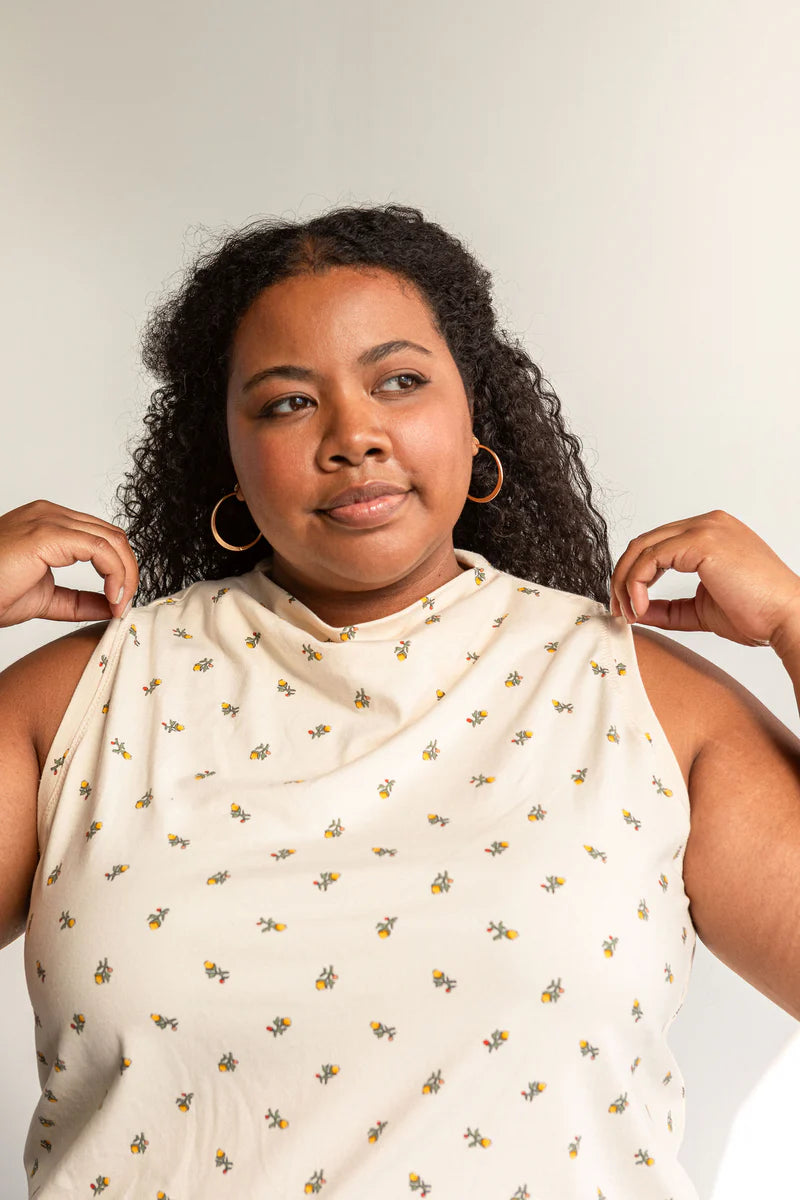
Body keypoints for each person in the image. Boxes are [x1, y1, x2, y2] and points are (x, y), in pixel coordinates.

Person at [1, 203, 799, 1200]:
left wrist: (794, 624)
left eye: (399, 382)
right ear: (228, 455)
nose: (354, 436)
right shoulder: (85, 701)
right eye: (288, 403)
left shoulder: (639, 699)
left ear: (473, 417)